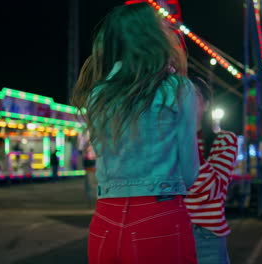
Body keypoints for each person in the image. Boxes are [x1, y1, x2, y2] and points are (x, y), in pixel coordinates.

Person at [72, 3, 199, 264]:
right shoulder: (176, 88)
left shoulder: (98, 94)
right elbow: (189, 172)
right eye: (161, 24)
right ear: (151, 36)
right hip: (159, 215)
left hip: (105, 218)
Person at [184, 77, 238, 264]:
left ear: (206, 104)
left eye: (193, 94)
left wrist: (187, 134)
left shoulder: (224, 141)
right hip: (172, 232)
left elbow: (210, 190)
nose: (185, 99)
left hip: (206, 236)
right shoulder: (169, 142)